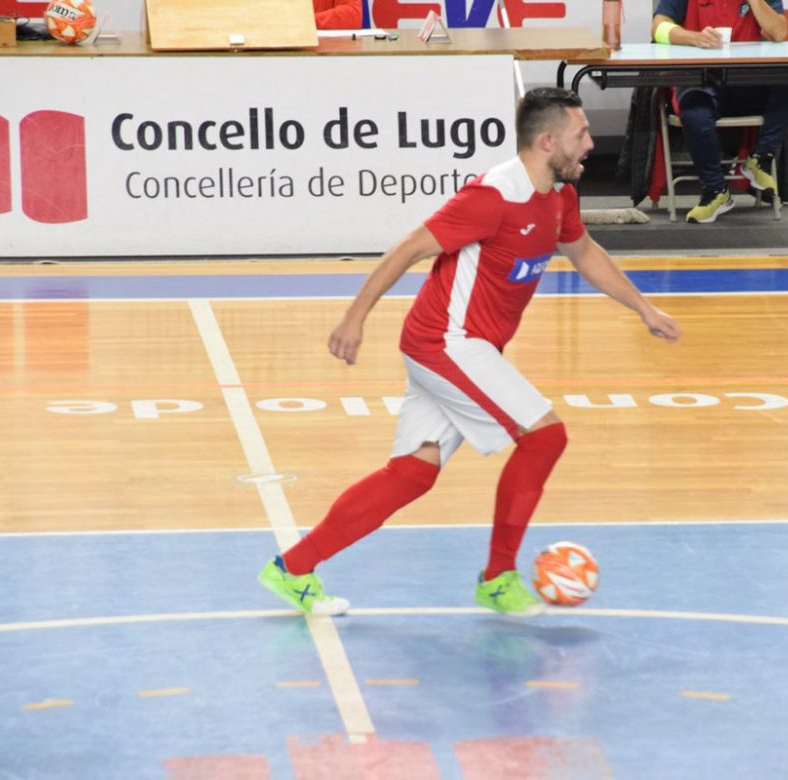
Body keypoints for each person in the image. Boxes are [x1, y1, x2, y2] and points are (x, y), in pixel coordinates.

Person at [259, 88, 681, 617]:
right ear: (548, 141)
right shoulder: (493, 197)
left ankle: (292, 569)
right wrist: (354, 317)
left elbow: (584, 252)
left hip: (457, 347)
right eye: (581, 134)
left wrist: (643, 309)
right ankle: (498, 576)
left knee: (413, 472)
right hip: (446, 343)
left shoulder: (559, 197)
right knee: (545, 436)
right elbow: (410, 246)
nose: (592, 144)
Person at [651, 0, 788, 224]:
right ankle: (715, 190)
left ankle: (760, 158)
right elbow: (658, 27)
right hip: (703, 80)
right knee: (694, 110)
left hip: (748, 82)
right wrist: (693, 37)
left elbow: (779, 32)